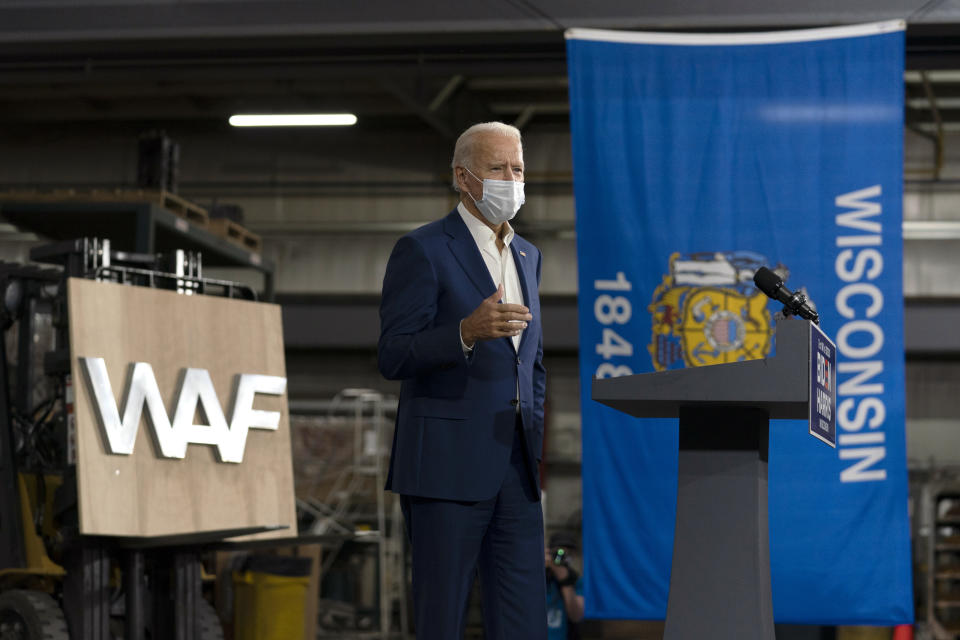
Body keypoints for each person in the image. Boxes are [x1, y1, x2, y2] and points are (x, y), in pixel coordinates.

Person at [378, 121, 547, 639]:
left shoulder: (528, 255)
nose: (511, 180)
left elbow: (531, 362)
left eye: (517, 168)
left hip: (515, 468)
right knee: (441, 620)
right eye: (497, 168)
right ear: (463, 177)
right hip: (445, 470)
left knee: (523, 623)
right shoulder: (424, 249)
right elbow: (393, 354)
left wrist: (534, 433)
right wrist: (465, 333)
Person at [545, 533, 585, 640]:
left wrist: (566, 582)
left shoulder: (575, 579)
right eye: (558, 552)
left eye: (567, 554)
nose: (561, 557)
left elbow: (576, 616)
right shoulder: (539, 576)